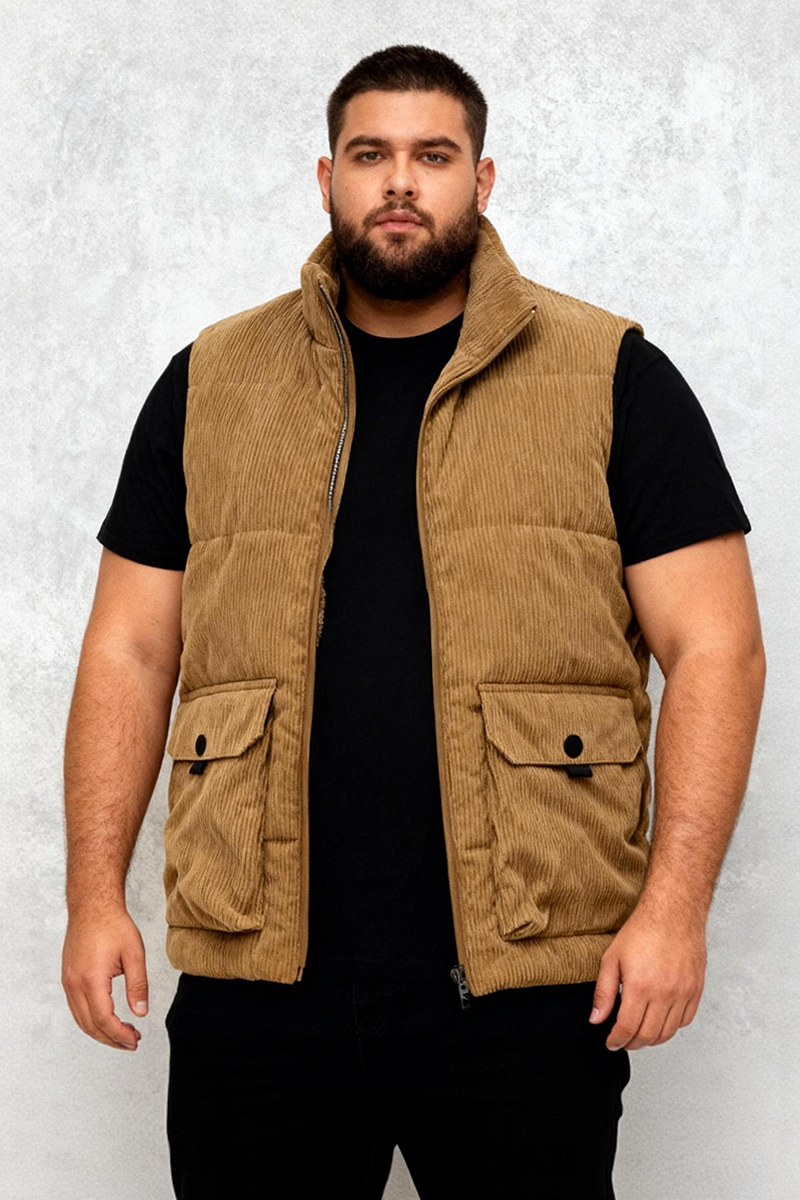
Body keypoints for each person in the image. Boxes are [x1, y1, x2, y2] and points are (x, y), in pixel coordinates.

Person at [61, 43, 765, 1200]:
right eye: (369, 154)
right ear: (325, 178)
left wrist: (674, 912)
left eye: (432, 155)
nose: (398, 182)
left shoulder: (612, 376)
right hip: (255, 989)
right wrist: (93, 899)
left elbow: (715, 650)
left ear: (480, 180)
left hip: (527, 990)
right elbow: (129, 650)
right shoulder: (210, 382)